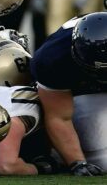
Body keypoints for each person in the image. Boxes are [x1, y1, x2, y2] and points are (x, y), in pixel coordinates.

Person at [31, 12, 107, 175]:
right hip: (79, 93)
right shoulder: (53, 57)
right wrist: (78, 163)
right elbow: (58, 117)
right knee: (98, 149)